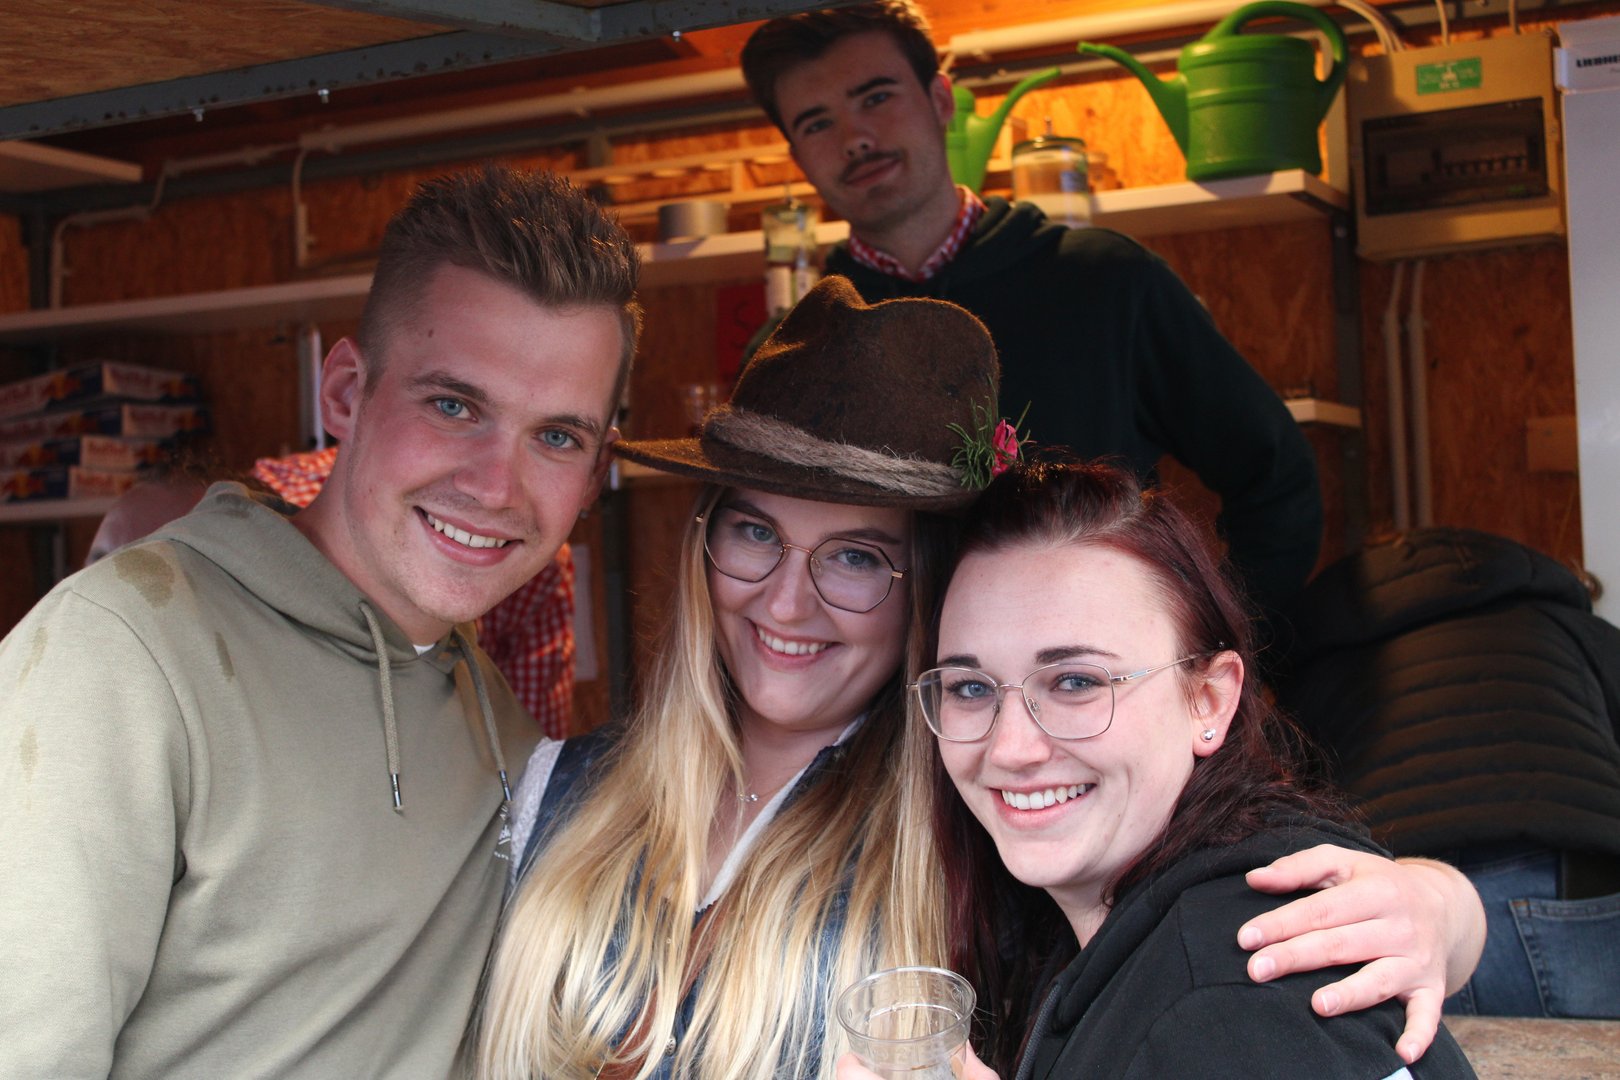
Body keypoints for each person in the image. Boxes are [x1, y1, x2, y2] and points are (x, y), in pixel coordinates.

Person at [475, 276, 1481, 1080]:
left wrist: (1438, 904)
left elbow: (1226, 901)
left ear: (925, 590)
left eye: (856, 557)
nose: (785, 601)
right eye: (754, 533)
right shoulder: (561, 787)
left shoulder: (977, 829)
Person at [0, 166, 639, 1078]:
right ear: (343, 392)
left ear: (596, 468)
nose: (496, 487)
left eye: (556, 437)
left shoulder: (485, 705)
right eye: (453, 405)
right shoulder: (119, 654)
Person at [843, 461, 1476, 1079]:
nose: (1011, 748)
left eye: (1076, 681)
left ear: (1209, 699)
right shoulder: (1103, 923)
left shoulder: (1234, 998)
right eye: (970, 687)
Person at [739, 0, 1323, 623]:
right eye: (816, 123)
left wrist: (1210, 642)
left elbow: (1276, 479)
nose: (855, 137)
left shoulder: (1109, 283)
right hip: (887, 685)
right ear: (797, 157)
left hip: (1092, 676)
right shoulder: (794, 346)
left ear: (940, 100)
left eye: (877, 97)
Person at [1276, 526, 1620, 1019]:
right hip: (1570, 873)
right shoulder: (1562, 624)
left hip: (1403, 899)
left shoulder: (1324, 659)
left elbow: (1291, 791)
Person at [254, 446, 580, 738]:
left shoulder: (535, 563)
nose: (494, 494)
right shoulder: (273, 521)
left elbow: (534, 756)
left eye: (555, 437)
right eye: (451, 408)